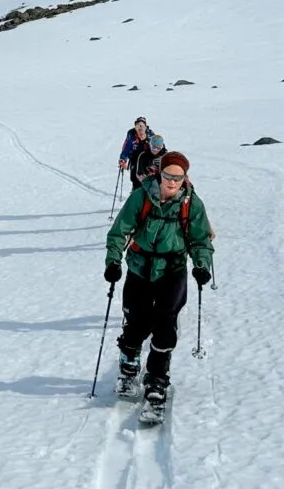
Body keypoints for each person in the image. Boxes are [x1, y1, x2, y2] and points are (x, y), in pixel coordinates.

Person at [102, 151, 213, 408]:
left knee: (165, 323)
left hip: (172, 270)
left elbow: (200, 239)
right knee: (135, 321)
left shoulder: (191, 203)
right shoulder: (140, 197)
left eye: (178, 177)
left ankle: (157, 378)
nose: (172, 182)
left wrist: (201, 265)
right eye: (167, 175)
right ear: (159, 174)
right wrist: (113, 261)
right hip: (140, 267)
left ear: (185, 178)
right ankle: (128, 370)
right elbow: (119, 232)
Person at [118, 116, 155, 189]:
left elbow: (158, 147)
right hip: (134, 160)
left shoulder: (151, 137)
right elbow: (126, 149)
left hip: (146, 161)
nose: (140, 129)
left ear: (145, 127)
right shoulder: (132, 137)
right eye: (138, 126)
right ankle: (135, 191)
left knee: (147, 178)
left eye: (142, 126)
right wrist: (123, 159)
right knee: (134, 179)